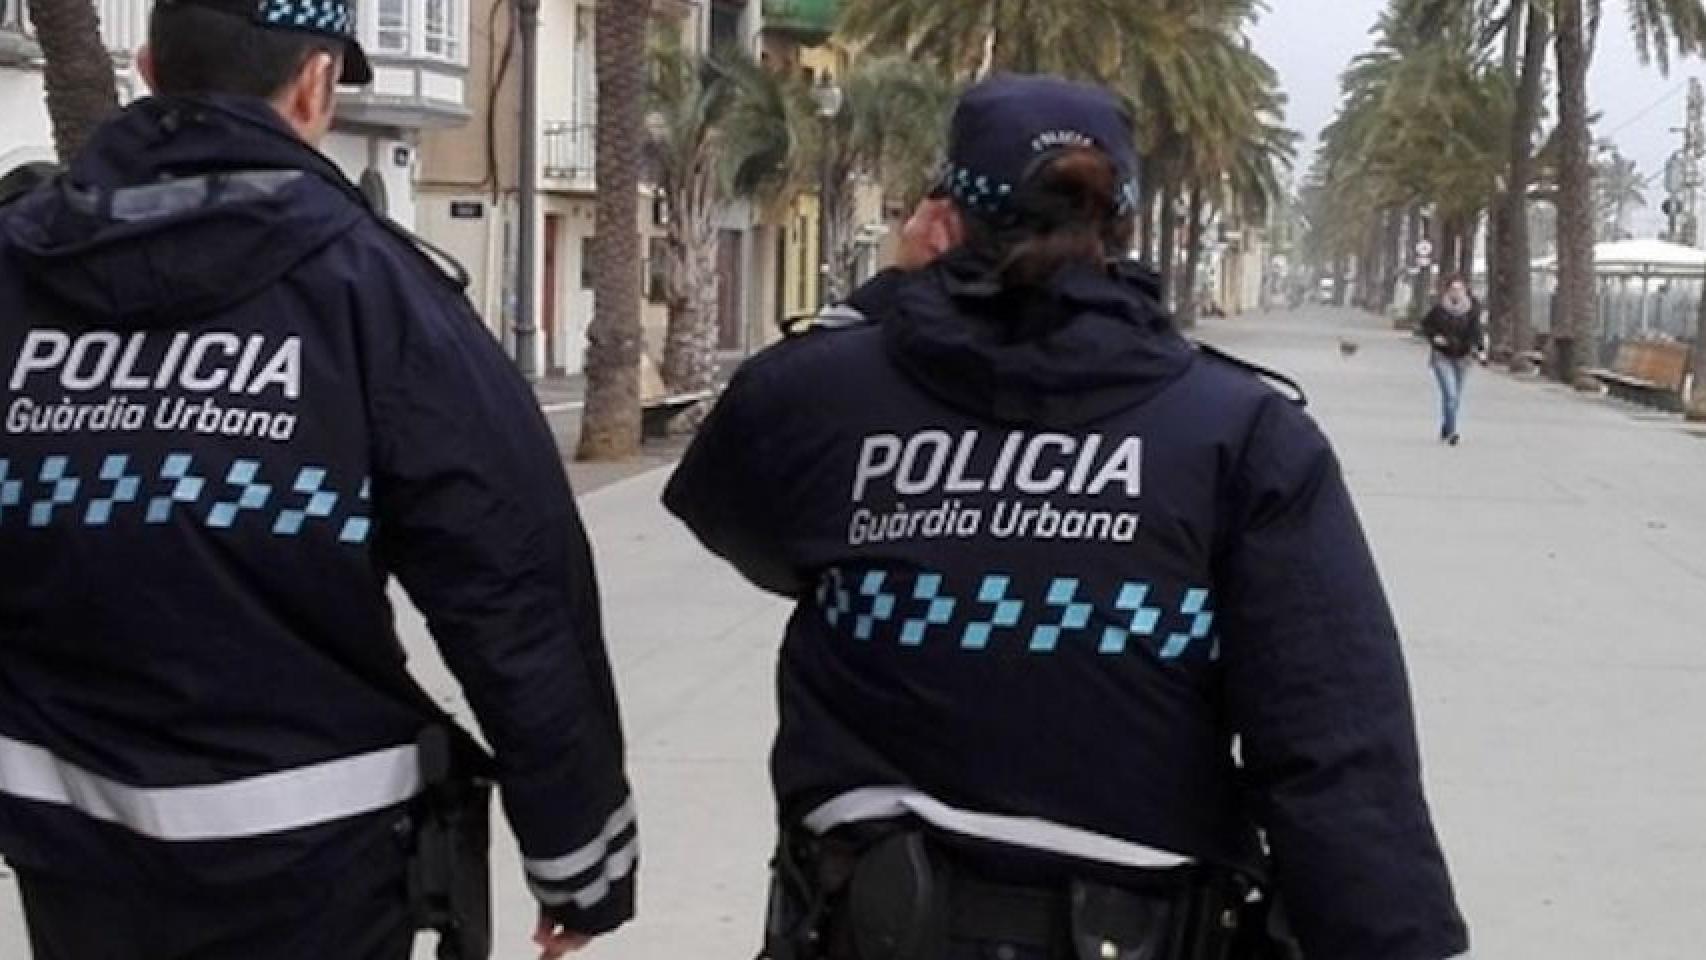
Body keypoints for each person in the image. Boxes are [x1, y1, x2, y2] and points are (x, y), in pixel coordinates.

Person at [665, 74, 1468, 960]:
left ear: (944, 218)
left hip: (868, 923)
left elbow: (749, 530)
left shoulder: (817, 396)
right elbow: (1336, 744)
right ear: (1118, 226)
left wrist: (885, 304)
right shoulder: (1240, 432)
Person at [0, 1, 636, 957]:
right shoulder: (378, 292)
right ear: (315, 83)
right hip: (317, 871)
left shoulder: (17, 271)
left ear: (147, 64)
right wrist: (581, 852)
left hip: (73, 858)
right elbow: (513, 584)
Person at [1420, 276, 1485, 445]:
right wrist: (1435, 337)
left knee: (1455, 397)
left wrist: (1479, 349)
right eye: (1453, 289)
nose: (1456, 292)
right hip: (1442, 356)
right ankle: (1452, 432)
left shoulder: (1472, 310)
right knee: (1450, 394)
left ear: (1465, 291)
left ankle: (1447, 426)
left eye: (1460, 289)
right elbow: (1425, 325)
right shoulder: (1439, 309)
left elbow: (1477, 332)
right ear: (1448, 291)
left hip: (1463, 358)